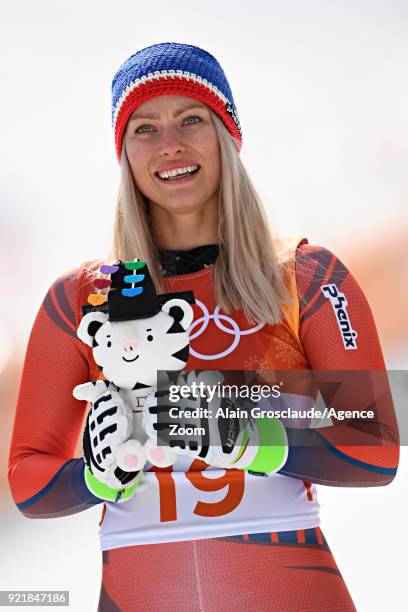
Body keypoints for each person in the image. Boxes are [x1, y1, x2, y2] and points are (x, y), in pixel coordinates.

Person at [8, 42, 399, 611]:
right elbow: (26, 480)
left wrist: (250, 439)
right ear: (124, 153)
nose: (170, 145)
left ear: (226, 135)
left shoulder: (308, 277)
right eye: (145, 128)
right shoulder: (80, 300)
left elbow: (377, 447)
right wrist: (95, 475)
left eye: (191, 118)